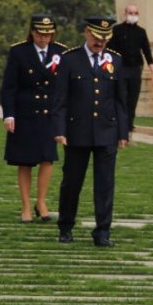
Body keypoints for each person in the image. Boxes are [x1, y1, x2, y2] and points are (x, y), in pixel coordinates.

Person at [51, 16, 130, 246]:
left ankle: (102, 231)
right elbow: (60, 99)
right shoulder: (70, 60)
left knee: (105, 184)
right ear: (87, 33)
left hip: (107, 130)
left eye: (104, 38)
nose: (100, 42)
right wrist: (59, 129)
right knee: (72, 182)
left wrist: (123, 132)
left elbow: (120, 99)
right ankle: (66, 226)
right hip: (78, 130)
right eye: (96, 37)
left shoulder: (115, 60)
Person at [1, 14, 67, 224]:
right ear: (32, 32)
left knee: (48, 158)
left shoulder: (60, 52)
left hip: (49, 113)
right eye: (40, 33)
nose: (44, 38)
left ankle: (41, 201)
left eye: (48, 34)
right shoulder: (19, 52)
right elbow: (9, 86)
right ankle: (26, 206)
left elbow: (64, 86)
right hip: (26, 112)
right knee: (25, 160)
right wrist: (9, 114)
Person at [111, 5, 153, 124]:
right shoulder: (116, 30)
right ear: (125, 13)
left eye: (135, 13)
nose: (133, 15)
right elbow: (109, 51)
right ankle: (120, 126)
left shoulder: (141, 32)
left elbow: (147, 52)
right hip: (120, 69)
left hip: (135, 69)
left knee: (132, 99)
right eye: (130, 13)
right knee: (121, 98)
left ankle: (129, 127)